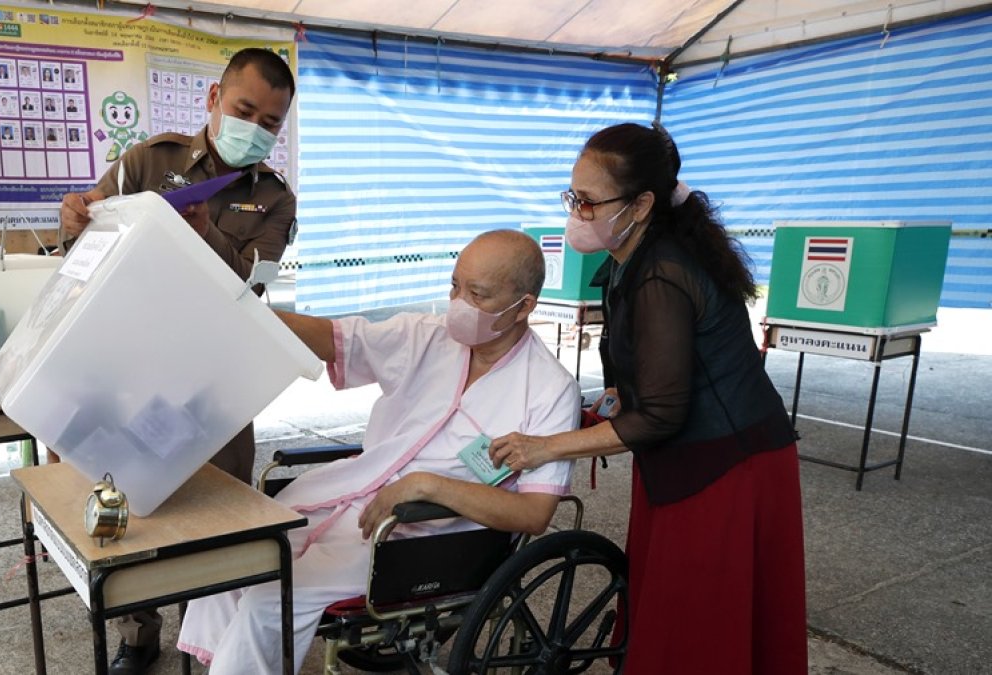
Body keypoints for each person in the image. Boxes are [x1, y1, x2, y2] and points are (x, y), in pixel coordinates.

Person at [177, 229, 581, 673]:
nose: (459, 304)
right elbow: (333, 337)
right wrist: (242, 312)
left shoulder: (549, 389)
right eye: (454, 286)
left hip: (419, 541)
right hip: (348, 498)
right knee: (228, 561)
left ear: (524, 305)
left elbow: (533, 515)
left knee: (269, 597)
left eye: (477, 295)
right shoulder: (426, 337)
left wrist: (425, 486)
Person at [489, 122, 807, 675]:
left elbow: (662, 414)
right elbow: (645, 376)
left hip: (726, 470)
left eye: (588, 203)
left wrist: (548, 447)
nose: (576, 214)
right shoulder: (631, 255)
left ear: (640, 204)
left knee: (698, 625)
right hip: (689, 461)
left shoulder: (663, 272)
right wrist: (611, 400)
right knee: (672, 609)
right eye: (572, 197)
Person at [59, 47, 298, 675]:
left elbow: (254, 284)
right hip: (129, 357)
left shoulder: (274, 197)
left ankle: (209, 626)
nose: (256, 128)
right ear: (214, 100)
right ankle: (139, 632)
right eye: (246, 110)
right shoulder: (148, 159)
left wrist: (204, 233)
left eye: (271, 122)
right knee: (128, 497)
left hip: (215, 373)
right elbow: (88, 236)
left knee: (220, 503)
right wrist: (74, 217)